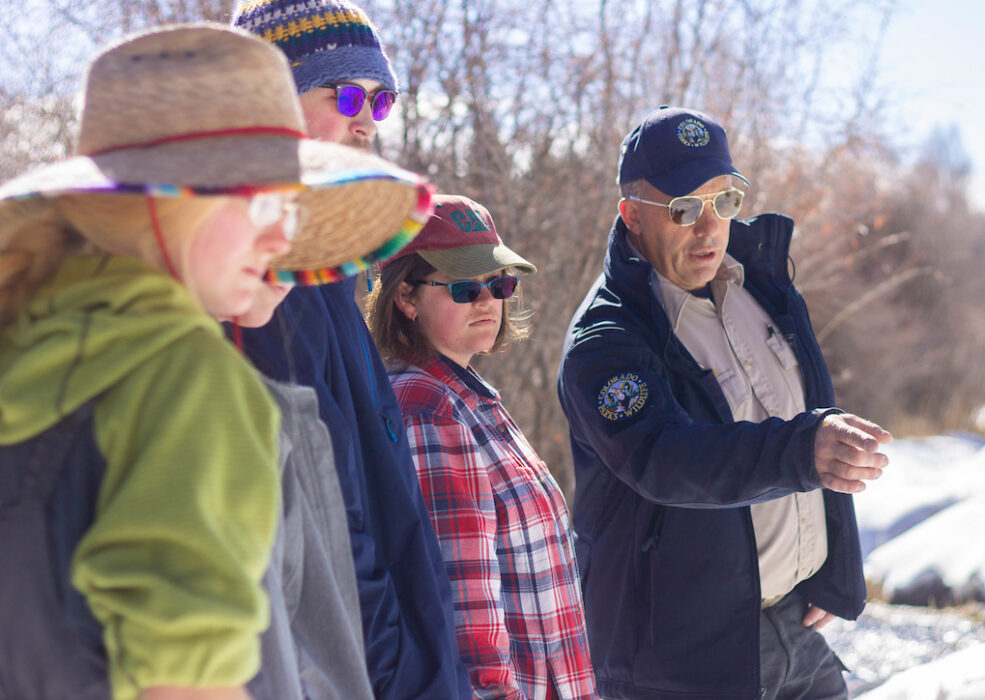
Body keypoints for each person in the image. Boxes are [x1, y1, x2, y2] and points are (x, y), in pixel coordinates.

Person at [0, 24, 424, 700]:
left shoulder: (30, 344)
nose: (286, 238)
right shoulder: (183, 378)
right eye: (267, 203)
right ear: (171, 197)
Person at [557, 106, 894, 699]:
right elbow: (666, 457)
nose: (709, 228)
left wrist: (833, 572)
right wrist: (804, 449)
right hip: (684, 662)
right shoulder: (606, 340)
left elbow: (812, 418)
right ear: (631, 216)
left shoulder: (762, 284)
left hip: (795, 626)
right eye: (684, 210)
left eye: (724, 201)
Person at [229, 1, 471, 697]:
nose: (371, 117)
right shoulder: (265, 290)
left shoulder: (325, 271)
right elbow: (327, 514)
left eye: (384, 98)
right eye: (348, 94)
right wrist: (403, 672)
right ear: (271, 105)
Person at [365, 195, 598, 700]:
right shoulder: (429, 408)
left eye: (500, 284)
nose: (489, 300)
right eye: (465, 287)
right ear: (405, 297)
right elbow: (465, 597)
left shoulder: (466, 395)